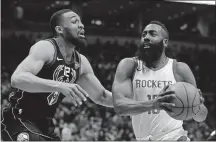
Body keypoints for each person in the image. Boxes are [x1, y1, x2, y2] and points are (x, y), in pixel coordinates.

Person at [1, 9, 113, 141]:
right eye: (74, 21)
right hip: (19, 119)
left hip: (45, 126)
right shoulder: (46, 48)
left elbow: (102, 96)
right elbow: (17, 79)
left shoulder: (81, 62)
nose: (81, 25)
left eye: (81, 22)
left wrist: (136, 102)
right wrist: (59, 85)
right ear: (59, 29)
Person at [112, 21, 208, 141]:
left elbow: (201, 117)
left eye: (152, 34)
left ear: (165, 42)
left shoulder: (179, 68)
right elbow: (119, 106)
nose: (146, 37)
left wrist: (197, 106)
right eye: (144, 34)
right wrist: (154, 104)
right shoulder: (129, 65)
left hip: (175, 137)